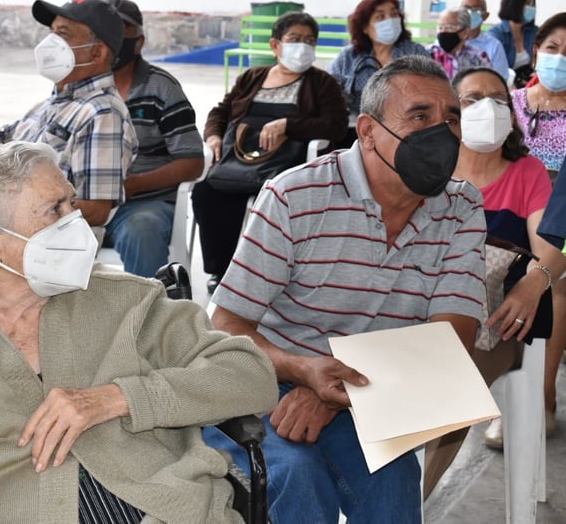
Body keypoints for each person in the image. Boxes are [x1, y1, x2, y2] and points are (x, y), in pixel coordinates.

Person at [0, 141, 278, 523]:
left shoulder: (125, 302)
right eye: (54, 210)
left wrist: (120, 397)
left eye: (72, 203)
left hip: (165, 509)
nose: (78, 223)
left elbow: (250, 375)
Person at [202, 55, 486, 523]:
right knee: (296, 477)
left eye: (451, 118)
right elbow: (227, 324)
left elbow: (453, 338)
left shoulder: (460, 207)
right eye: (420, 116)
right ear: (369, 131)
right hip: (267, 379)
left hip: (369, 388)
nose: (444, 133)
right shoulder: (295, 197)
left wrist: (332, 390)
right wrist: (303, 369)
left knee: (392, 482)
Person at [423, 67, 566, 494]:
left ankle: (410, 505)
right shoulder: (428, 170)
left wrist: (534, 279)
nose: (487, 107)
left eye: (497, 98)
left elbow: (551, 250)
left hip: (493, 324)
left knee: (453, 393)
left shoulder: (527, 174)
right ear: (450, 113)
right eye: (471, 99)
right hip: (415, 313)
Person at [0, 0, 136, 227]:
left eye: (63, 34)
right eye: (52, 32)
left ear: (97, 53)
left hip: (49, 249)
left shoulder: (102, 113)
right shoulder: (50, 104)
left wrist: (20, 213)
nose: (51, 42)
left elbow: (96, 208)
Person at [193, 11, 348, 294]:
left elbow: (335, 125)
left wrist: (289, 125)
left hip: (286, 167)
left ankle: (267, 274)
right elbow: (221, 111)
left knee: (272, 199)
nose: (303, 46)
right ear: (275, 46)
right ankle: (221, 270)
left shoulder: (322, 83)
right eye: (294, 39)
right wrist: (214, 135)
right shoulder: (252, 77)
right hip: (237, 162)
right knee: (206, 193)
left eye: (309, 40)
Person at [489, 12, 566, 446]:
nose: (560, 59)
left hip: (560, 218)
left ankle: (540, 396)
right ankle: (487, 397)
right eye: (553, 48)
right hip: (508, 209)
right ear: (537, 50)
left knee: (554, 279)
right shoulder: (509, 104)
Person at [100, 0, 204, 277]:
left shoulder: (162, 88)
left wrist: (135, 185)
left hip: (145, 204)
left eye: (121, 30)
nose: (113, 38)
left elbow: (193, 161)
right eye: (105, 28)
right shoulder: (79, 85)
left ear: (139, 41)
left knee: (141, 230)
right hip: (87, 202)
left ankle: (147, 318)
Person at [327, 0, 428, 146]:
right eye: (380, 17)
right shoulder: (349, 56)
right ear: (365, 27)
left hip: (406, 130)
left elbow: (430, 93)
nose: (390, 21)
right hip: (356, 132)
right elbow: (329, 93)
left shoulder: (415, 53)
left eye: (394, 14)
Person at [488, 0, 538, 88]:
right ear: (514, 6)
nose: (532, 8)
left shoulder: (534, 31)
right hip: (504, 85)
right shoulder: (495, 34)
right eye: (528, 4)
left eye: (533, 5)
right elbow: (497, 71)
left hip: (528, 83)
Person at [428, 7, 492, 80]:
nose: (443, 31)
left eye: (449, 27)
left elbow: (488, 84)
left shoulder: (478, 58)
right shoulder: (428, 55)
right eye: (440, 27)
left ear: (465, 33)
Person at [460, 0, 510, 81]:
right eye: (466, 8)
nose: (470, 12)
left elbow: (501, 80)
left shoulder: (494, 46)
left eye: (475, 9)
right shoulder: (450, 41)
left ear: (485, 16)